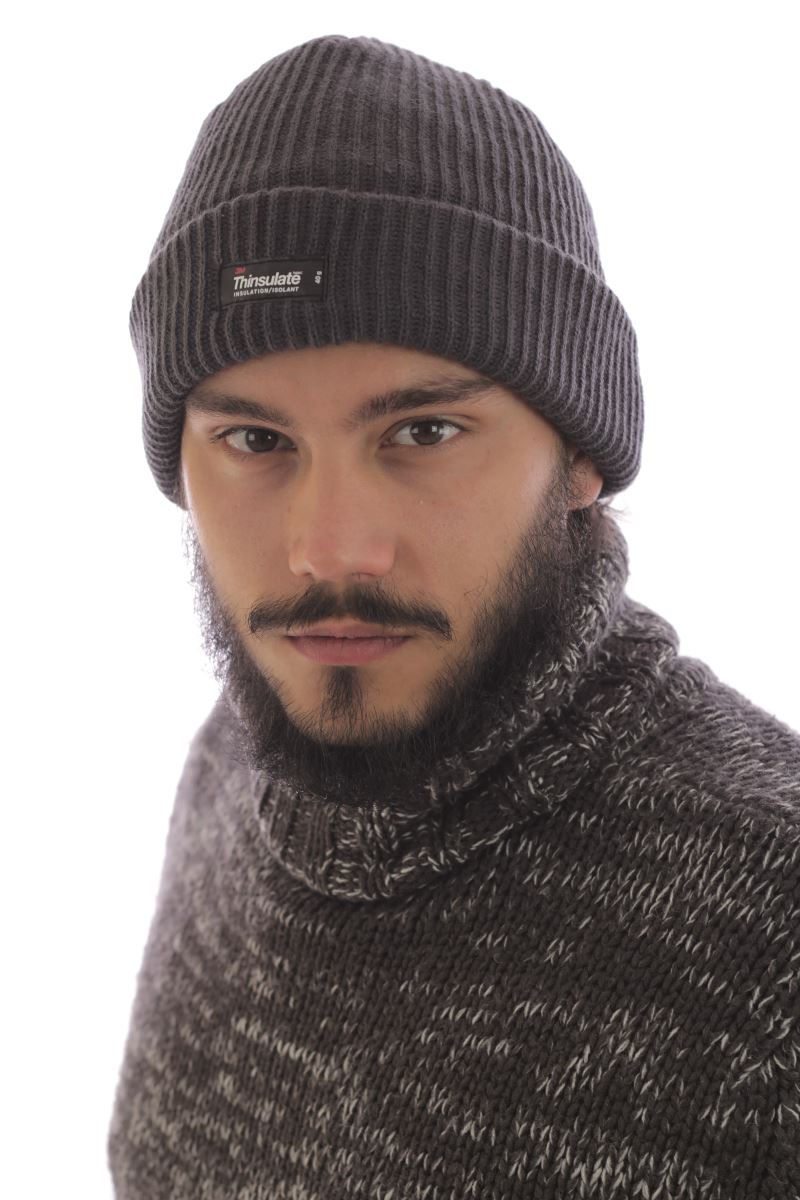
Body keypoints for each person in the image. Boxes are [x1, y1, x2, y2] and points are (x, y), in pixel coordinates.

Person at [107, 33, 799, 1199]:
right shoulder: (230, 769)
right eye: (254, 440)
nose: (329, 549)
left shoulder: (772, 924)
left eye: (421, 432)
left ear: (578, 458)